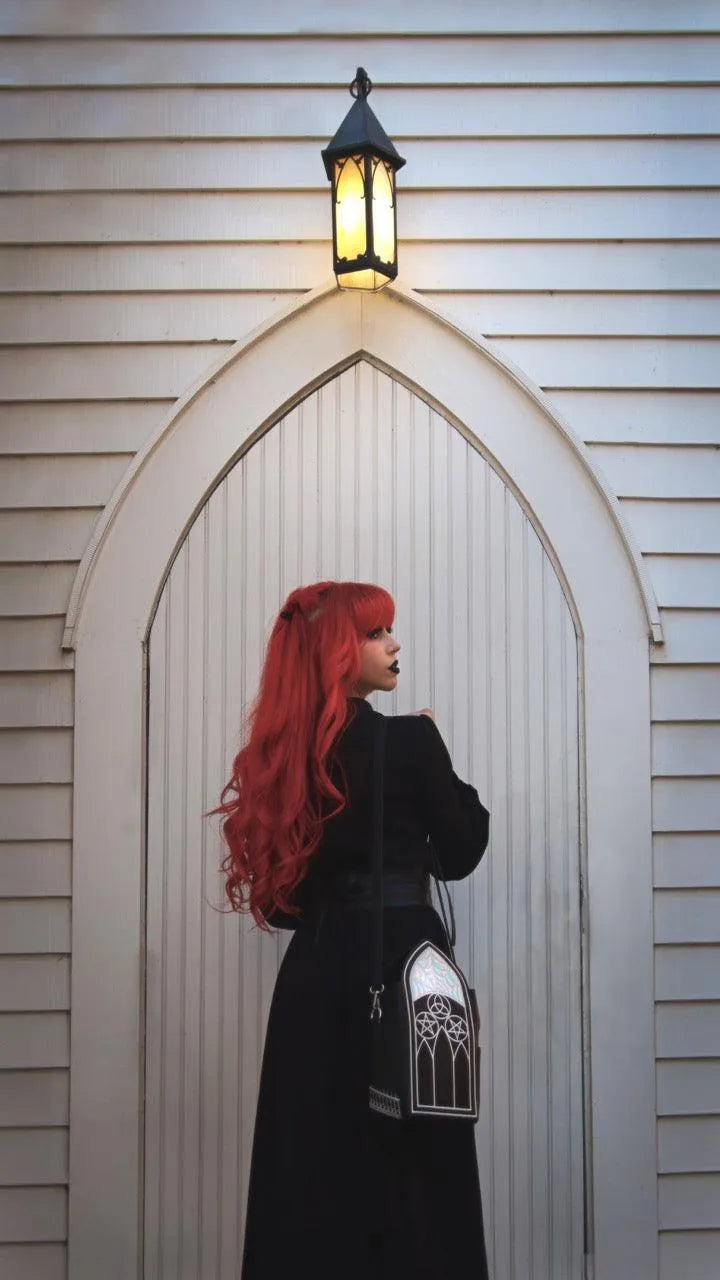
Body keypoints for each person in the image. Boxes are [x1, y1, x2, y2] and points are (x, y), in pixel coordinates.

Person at [215, 580, 490, 1279]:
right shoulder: (411, 740)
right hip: (404, 968)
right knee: (415, 1171)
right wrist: (439, 758)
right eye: (374, 634)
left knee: (311, 1168)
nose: (393, 644)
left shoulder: (286, 757)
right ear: (337, 651)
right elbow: (461, 851)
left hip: (317, 978)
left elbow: (282, 908)